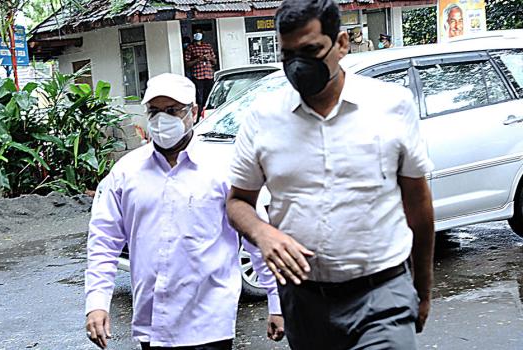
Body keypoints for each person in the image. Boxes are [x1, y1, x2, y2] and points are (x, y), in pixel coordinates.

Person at [226, 0, 435, 349]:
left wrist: (423, 290)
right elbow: (237, 202)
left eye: (310, 50)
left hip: (382, 292)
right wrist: (262, 233)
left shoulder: (391, 106)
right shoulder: (262, 118)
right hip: (303, 300)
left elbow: (418, 200)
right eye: (287, 54)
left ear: (341, 44)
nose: (298, 65)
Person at [84, 73, 284, 350]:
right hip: (152, 321)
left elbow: (257, 239)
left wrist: (276, 301)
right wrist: (96, 303)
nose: (161, 119)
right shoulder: (125, 173)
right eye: (154, 111)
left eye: (172, 111)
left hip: (210, 321)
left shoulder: (224, 169)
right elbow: (103, 242)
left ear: (193, 112)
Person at [184, 29, 217, 122]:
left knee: (209, 97)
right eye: (196, 33)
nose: (198, 35)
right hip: (198, 76)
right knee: (199, 99)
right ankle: (198, 118)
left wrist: (209, 58)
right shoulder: (190, 48)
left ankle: (208, 116)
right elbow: (187, 64)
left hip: (209, 75)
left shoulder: (208, 46)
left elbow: (215, 61)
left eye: (200, 33)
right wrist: (199, 59)